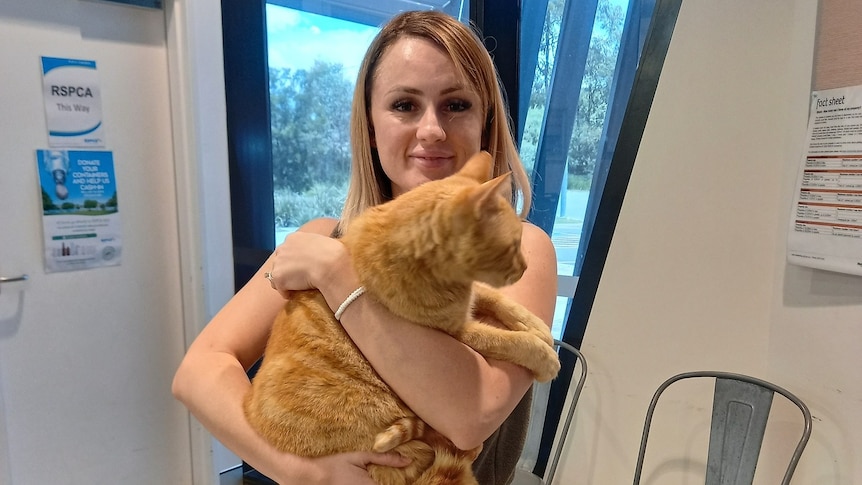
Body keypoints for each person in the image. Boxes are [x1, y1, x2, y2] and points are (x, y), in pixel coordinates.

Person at [172, 9, 557, 485]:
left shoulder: (524, 248)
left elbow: (471, 414)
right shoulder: (322, 237)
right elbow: (198, 370)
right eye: (404, 105)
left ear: (485, 122)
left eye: (456, 104)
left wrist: (337, 274)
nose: (432, 129)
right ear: (372, 129)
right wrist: (301, 472)